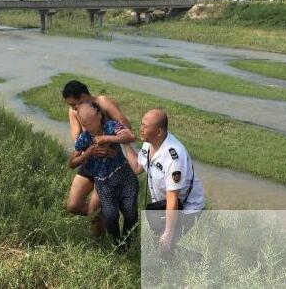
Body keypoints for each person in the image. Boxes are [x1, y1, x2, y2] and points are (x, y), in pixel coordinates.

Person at [123, 108, 205, 253]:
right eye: (141, 124)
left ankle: (195, 262)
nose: (140, 129)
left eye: (145, 126)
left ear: (159, 132)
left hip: (186, 208)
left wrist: (168, 232)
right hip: (163, 205)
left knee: (164, 246)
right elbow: (137, 167)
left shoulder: (174, 157)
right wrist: (125, 143)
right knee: (161, 246)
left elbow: (172, 198)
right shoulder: (149, 143)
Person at [62, 80, 133, 232]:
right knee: (73, 206)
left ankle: (101, 239)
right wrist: (86, 150)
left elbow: (126, 127)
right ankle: (107, 214)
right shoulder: (74, 112)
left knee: (93, 210)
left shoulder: (103, 102)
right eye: (70, 106)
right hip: (90, 159)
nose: (73, 108)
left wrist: (107, 140)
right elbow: (77, 139)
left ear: (84, 96)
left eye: (74, 103)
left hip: (109, 163)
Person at [68, 102, 139, 245]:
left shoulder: (111, 126)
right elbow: (72, 163)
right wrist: (87, 154)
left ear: (99, 115)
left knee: (130, 213)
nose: (89, 127)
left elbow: (130, 136)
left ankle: (128, 244)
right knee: (111, 216)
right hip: (103, 183)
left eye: (91, 122)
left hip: (124, 176)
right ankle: (117, 246)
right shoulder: (84, 138)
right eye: (85, 124)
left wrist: (107, 138)